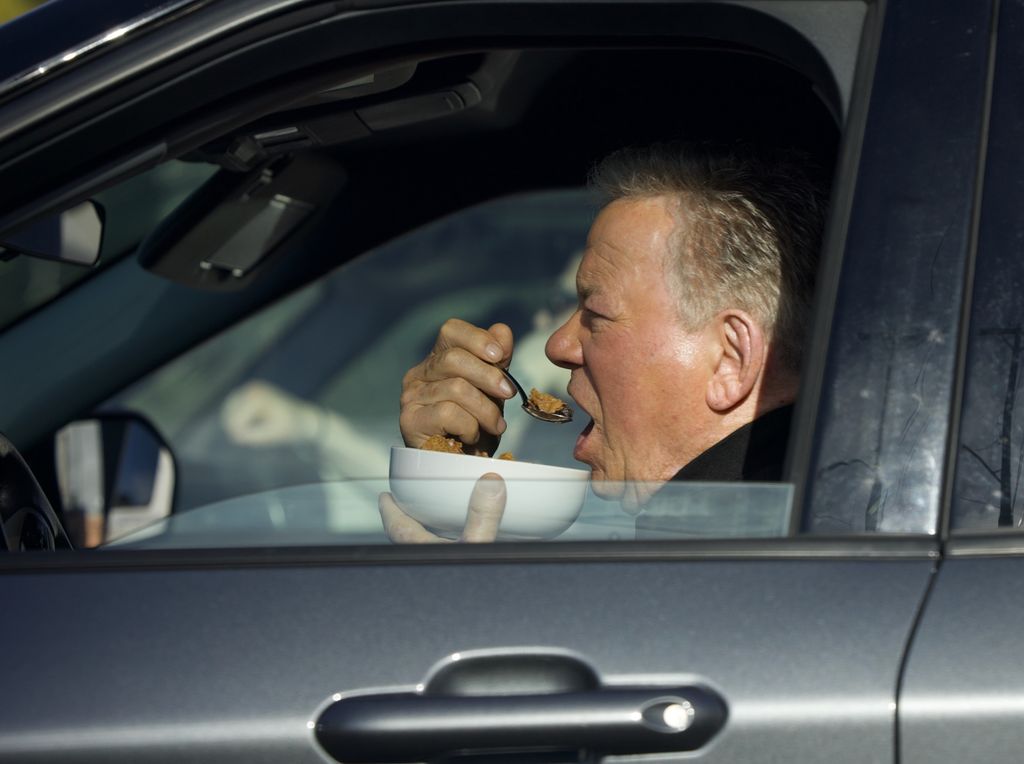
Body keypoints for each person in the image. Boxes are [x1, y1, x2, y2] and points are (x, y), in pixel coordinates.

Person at [380, 142, 828, 542]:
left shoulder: (738, 562)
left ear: (730, 359)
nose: (557, 346)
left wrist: (470, 607)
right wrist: (451, 481)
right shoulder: (795, 525)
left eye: (596, 315)